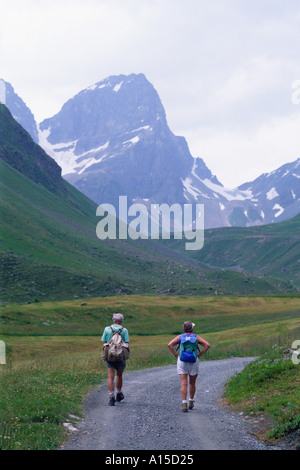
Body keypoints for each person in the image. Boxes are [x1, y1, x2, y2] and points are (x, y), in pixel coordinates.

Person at [168, 321, 210, 412]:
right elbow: (207, 345)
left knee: (183, 382)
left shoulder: (180, 337)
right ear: (192, 328)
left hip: (182, 360)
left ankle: (184, 403)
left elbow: (170, 345)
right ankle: (191, 401)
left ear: (183, 328)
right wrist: (200, 354)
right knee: (192, 382)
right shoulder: (196, 337)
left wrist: (176, 355)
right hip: (193, 360)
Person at [101, 313, 129, 406]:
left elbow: (104, 342)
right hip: (120, 356)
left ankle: (111, 396)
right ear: (121, 320)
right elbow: (126, 343)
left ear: (113, 320)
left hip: (109, 355)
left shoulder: (107, 329)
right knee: (119, 375)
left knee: (110, 376)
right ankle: (118, 393)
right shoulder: (124, 330)